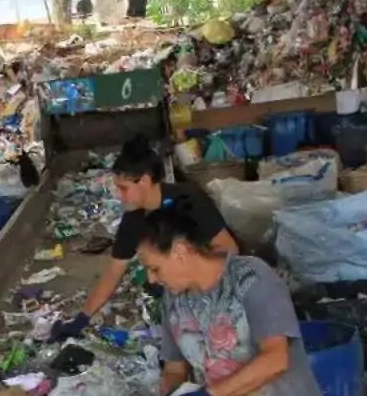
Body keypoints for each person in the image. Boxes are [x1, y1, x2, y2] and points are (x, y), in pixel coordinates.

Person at [138, 197, 340, 396]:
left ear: (179, 251)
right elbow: (175, 368)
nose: (151, 279)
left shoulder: (251, 279)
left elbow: (276, 359)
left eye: (154, 268)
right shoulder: (173, 303)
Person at [54, 135, 236, 340]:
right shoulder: (134, 219)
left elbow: (229, 249)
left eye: (124, 188)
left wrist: (199, 286)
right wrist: (81, 319)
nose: (120, 196)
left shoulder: (189, 200)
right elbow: (114, 272)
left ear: (145, 181)